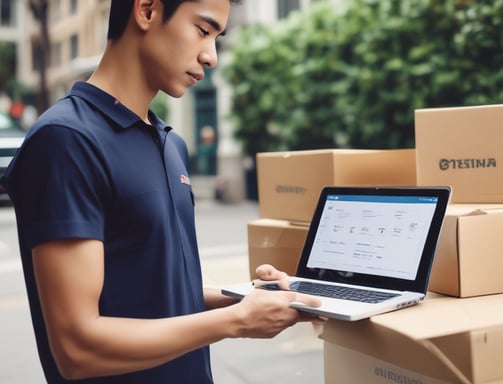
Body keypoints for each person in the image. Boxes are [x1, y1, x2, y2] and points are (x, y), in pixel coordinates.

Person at [1, 0, 323, 383]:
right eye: (203, 31)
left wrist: (252, 296)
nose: (211, 56)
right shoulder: (66, 140)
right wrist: (237, 320)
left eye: (218, 37)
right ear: (147, 10)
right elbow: (76, 348)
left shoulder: (172, 144)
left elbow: (159, 289)